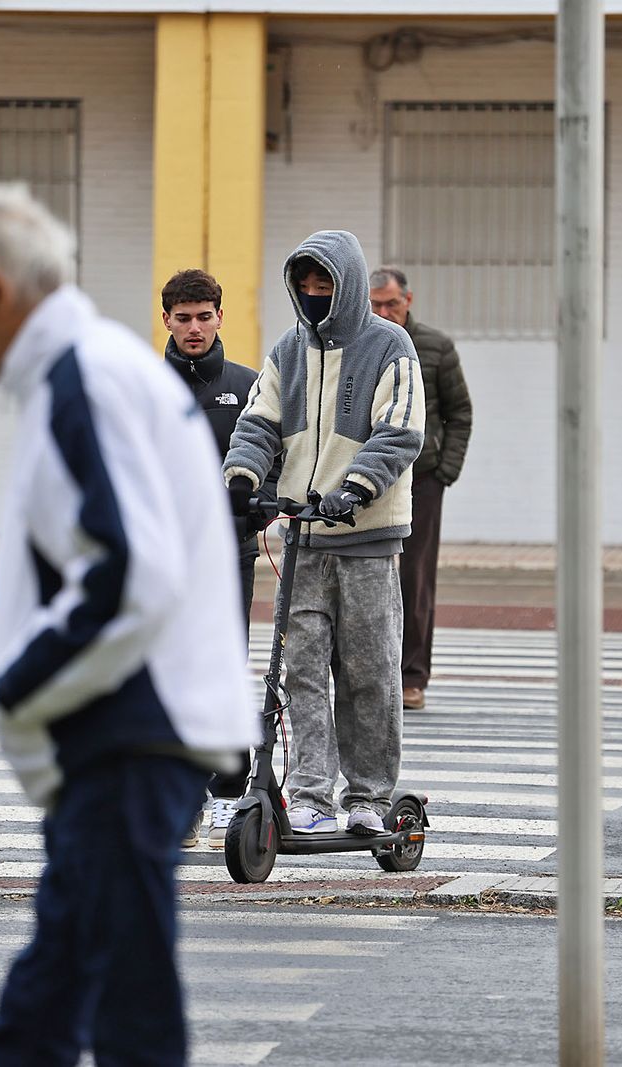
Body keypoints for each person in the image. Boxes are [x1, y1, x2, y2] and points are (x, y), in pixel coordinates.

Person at [0, 184, 257, 1066]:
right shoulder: (93, 370)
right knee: (50, 1000)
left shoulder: (85, 380)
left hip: (131, 730)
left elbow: (130, 571)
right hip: (131, 727)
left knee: (119, 1002)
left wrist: (19, 686)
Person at [223, 230, 424, 836]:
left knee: (368, 671)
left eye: (325, 285)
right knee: (301, 670)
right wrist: (240, 474)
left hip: (366, 539)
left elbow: (401, 431)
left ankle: (367, 794)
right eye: (305, 286)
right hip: (304, 539)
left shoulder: (391, 346)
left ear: (349, 285)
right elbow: (259, 419)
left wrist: (356, 488)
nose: (313, 296)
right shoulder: (289, 350)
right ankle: (310, 791)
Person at [160, 268, 264, 850]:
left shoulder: (250, 387)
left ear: (220, 316)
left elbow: (275, 459)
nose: (195, 328)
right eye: (183, 318)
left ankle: (227, 787)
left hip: (229, 555)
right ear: (167, 320)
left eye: (204, 316)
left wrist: (256, 510)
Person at [368, 267, 474, 710]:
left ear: (408, 300)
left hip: (423, 477)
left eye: (391, 303)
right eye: (375, 304)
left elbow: (460, 412)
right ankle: (372, 676)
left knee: (415, 577)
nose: (383, 312)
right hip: (369, 474)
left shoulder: (435, 346)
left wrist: (445, 471)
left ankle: (412, 678)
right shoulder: (361, 342)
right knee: (367, 575)